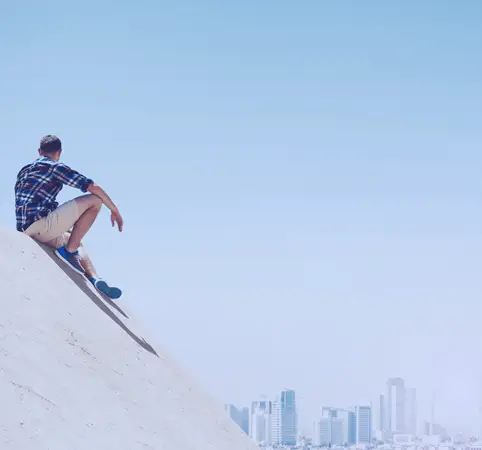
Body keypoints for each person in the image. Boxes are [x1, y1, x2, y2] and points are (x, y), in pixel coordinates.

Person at [14, 134, 124, 299]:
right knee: (95, 201)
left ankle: (94, 278)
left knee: (74, 237)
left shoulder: (24, 170)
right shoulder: (54, 167)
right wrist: (114, 210)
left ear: (39, 151)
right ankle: (71, 253)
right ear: (59, 152)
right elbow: (92, 186)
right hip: (42, 225)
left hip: (27, 229)